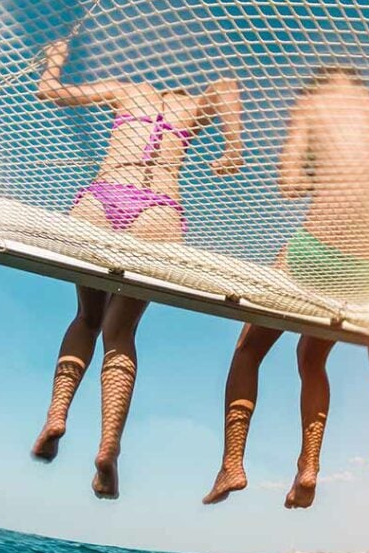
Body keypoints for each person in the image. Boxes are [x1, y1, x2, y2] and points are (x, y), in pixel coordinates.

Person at [29, 39, 244, 499]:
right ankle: (109, 446)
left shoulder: (127, 91)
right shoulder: (189, 108)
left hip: (103, 198)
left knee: (86, 317)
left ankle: (56, 415)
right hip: (159, 212)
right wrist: (233, 146)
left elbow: (50, 92)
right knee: (119, 332)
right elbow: (227, 86)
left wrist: (55, 56)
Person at [202, 66, 369, 508]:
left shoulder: (311, 105)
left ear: (320, 82)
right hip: (365, 273)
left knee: (249, 349)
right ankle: (318, 462)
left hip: (317, 257)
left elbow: (289, 185)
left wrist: (321, 173)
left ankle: (232, 464)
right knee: (311, 354)